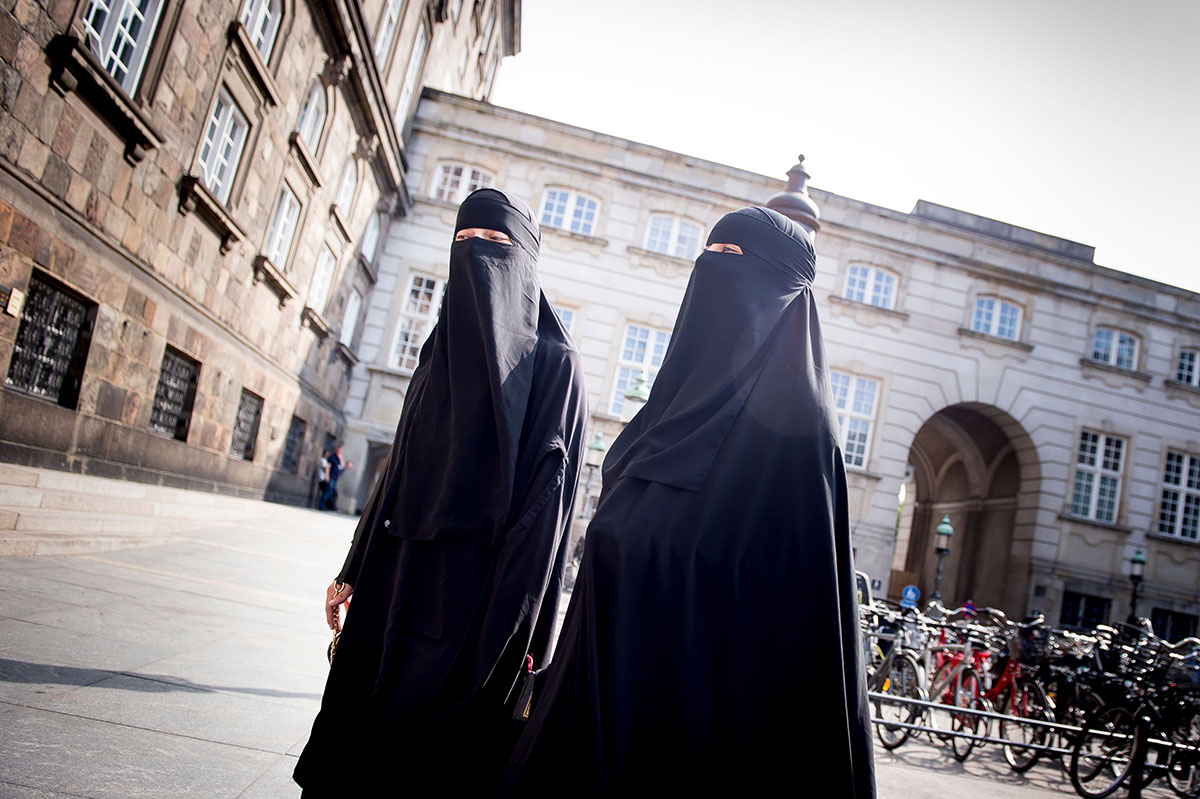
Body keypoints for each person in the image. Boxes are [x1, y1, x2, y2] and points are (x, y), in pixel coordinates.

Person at [502, 207, 877, 797]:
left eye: (738, 262)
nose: (717, 276)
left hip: (698, 742)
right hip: (599, 716)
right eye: (712, 257)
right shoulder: (663, 420)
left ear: (785, 291)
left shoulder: (801, 442)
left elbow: (792, 641)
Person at [294, 188, 588, 795]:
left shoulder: (556, 366)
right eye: (464, 242)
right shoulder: (438, 351)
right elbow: (400, 463)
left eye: (497, 244)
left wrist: (519, 635)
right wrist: (353, 567)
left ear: (526, 260)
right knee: (359, 741)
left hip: (477, 601)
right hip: (393, 578)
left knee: (434, 762)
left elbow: (547, 510)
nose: (477, 255)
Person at [319, 444, 352, 511]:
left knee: (331, 492)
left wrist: (341, 458)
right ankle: (322, 506)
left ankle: (328, 506)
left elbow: (342, 466)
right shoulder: (332, 457)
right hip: (331, 477)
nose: (340, 452)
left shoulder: (339, 458)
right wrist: (326, 475)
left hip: (334, 478)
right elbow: (328, 466)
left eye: (341, 451)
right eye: (339, 450)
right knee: (328, 492)